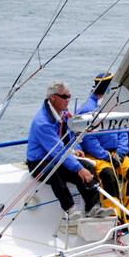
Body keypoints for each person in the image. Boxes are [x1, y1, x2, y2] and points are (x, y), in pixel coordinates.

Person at [25, 81, 105, 216]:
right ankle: (70, 209)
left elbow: (70, 135)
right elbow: (58, 152)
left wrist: (75, 150)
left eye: (69, 96)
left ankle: (93, 207)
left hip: (57, 158)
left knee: (88, 167)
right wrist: (79, 169)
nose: (68, 100)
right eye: (64, 97)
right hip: (39, 162)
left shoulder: (62, 113)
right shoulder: (43, 122)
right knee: (55, 173)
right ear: (52, 97)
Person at [77, 73, 129, 221]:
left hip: (116, 153)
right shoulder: (88, 110)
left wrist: (120, 153)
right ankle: (114, 218)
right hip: (95, 155)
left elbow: (123, 131)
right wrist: (105, 156)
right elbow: (89, 140)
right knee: (108, 175)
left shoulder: (115, 106)